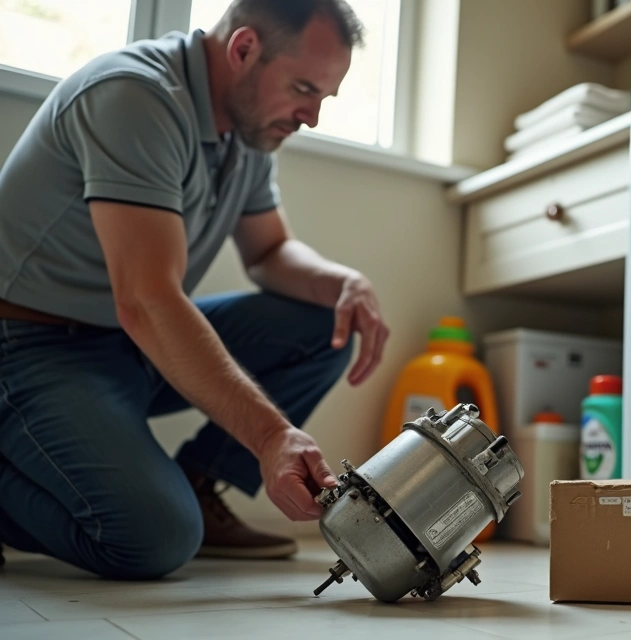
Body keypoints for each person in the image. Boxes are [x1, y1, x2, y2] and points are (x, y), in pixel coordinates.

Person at [0, 0, 390, 580]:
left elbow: (269, 253)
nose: (310, 117)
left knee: (325, 321)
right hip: (30, 344)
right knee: (154, 539)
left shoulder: (248, 130)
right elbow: (147, 300)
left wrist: (343, 283)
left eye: (323, 98)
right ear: (243, 49)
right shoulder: (134, 96)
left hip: (120, 340)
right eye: (303, 89)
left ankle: (198, 485)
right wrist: (271, 437)